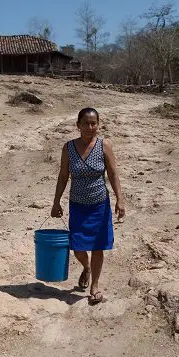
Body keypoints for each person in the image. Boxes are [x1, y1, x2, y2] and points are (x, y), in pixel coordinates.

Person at [51, 107, 125, 305]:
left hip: (99, 205)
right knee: (77, 247)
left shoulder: (104, 146)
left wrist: (120, 199)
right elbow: (63, 176)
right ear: (78, 125)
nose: (90, 127)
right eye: (86, 123)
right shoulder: (68, 148)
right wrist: (56, 201)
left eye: (94, 123)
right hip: (77, 205)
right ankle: (87, 267)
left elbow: (113, 174)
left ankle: (95, 286)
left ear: (98, 125)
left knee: (98, 246)